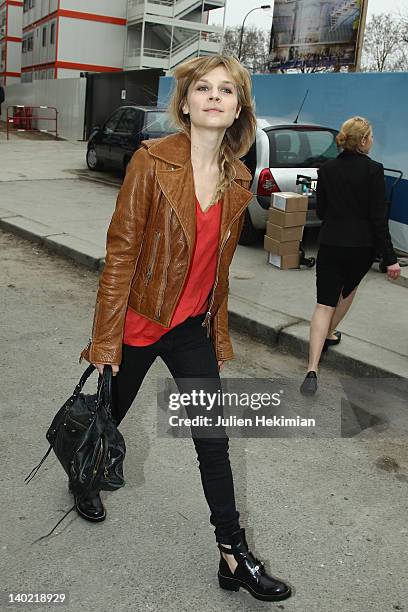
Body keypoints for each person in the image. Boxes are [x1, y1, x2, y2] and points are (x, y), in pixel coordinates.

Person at [78, 54, 292, 602]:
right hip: (140, 320)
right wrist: (106, 338)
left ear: (238, 105)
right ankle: (82, 475)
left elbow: (219, 272)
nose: (215, 97)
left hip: (191, 328)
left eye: (226, 90)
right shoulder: (151, 161)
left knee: (213, 442)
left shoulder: (239, 176)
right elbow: (120, 254)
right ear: (186, 101)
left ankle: (232, 553)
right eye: (203, 88)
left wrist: (217, 334)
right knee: (108, 416)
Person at [300, 116, 401, 395]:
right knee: (346, 294)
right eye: (371, 137)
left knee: (323, 304)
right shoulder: (374, 170)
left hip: (331, 243)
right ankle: (329, 334)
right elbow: (378, 218)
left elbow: (321, 212)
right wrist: (390, 258)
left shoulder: (328, 169)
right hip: (361, 247)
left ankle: (312, 368)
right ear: (365, 140)